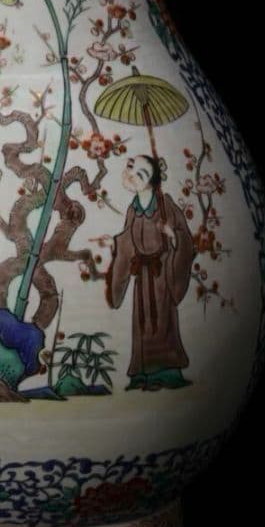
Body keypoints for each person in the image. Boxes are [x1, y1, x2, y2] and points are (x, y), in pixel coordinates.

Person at [105, 154, 194, 391]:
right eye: (131, 167)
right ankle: (141, 372)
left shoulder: (165, 205)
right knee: (142, 322)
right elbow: (127, 242)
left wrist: (173, 235)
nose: (132, 175)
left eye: (141, 174)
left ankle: (166, 371)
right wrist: (117, 247)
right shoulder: (133, 209)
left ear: (152, 182)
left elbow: (185, 238)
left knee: (163, 321)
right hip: (142, 276)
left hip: (162, 273)